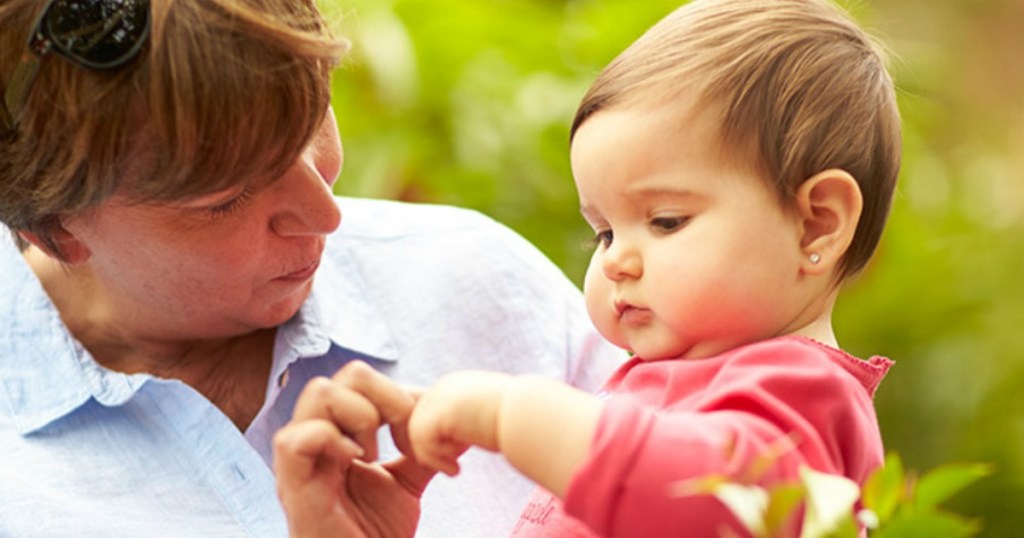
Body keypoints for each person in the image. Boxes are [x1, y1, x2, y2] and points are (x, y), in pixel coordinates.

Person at [274, 0, 902, 536]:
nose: (618, 261)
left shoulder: (804, 395)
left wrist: (507, 415)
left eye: (665, 222)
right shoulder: (665, 384)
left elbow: (712, 498)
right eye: (602, 232)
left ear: (817, 223)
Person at [0, 0, 622, 536]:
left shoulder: (475, 280)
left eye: (314, 115)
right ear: (55, 229)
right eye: (226, 199)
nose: (325, 213)